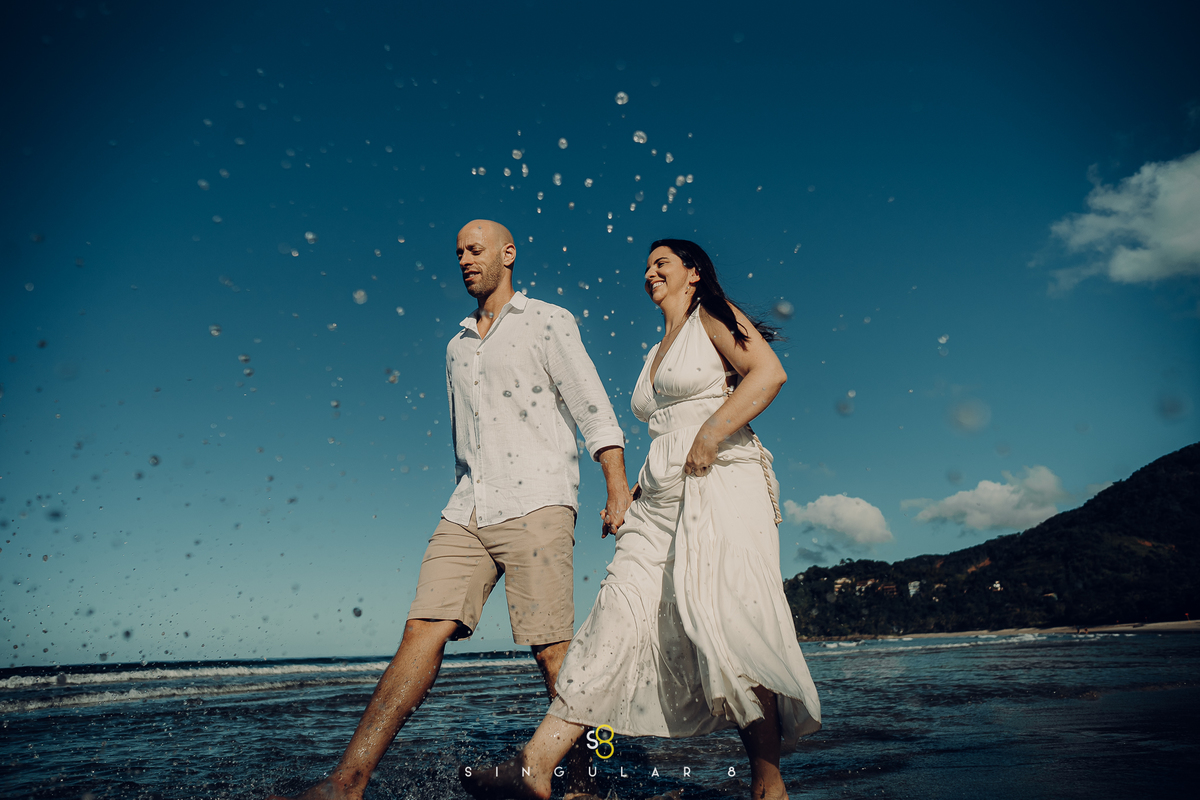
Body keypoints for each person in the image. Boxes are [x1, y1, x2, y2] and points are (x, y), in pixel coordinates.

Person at [269, 220, 632, 800]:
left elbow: (592, 405)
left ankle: (584, 782)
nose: (464, 260)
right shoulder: (456, 346)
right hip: (467, 505)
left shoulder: (547, 320)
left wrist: (616, 484)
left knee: (551, 647)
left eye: (476, 249)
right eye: (458, 252)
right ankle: (347, 782)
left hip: (538, 498)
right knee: (420, 630)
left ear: (507, 255)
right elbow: (466, 436)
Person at [462, 238, 821, 800]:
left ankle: (767, 783)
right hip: (657, 497)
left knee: (731, 624)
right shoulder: (656, 352)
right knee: (614, 615)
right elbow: (666, 429)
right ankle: (536, 765)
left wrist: (709, 434)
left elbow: (768, 374)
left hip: (722, 482)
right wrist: (627, 492)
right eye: (647, 266)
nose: (650, 273)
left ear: (694, 273)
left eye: (663, 264)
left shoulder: (714, 318)